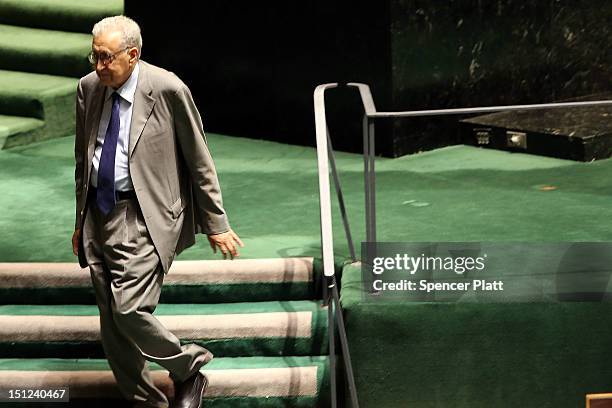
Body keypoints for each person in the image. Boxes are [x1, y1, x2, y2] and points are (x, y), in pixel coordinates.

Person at [71, 15, 243, 408]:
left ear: (132, 55)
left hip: (145, 216)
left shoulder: (167, 89)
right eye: (93, 56)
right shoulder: (89, 88)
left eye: (105, 57)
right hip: (98, 214)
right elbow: (84, 158)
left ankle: (187, 366)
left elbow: (199, 159)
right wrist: (79, 219)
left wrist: (216, 222)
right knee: (112, 327)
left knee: (129, 310)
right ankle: (147, 402)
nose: (98, 66)